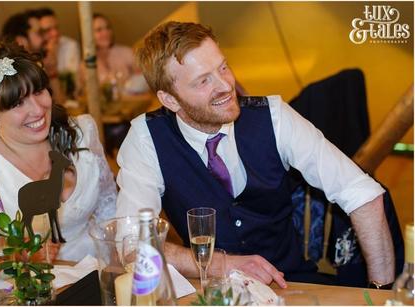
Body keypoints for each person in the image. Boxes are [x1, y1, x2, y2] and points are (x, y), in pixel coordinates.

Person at [115, 21, 395, 288]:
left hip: (291, 284)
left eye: (223, 67)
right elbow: (131, 244)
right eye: (203, 81)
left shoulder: (274, 116)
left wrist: (383, 291)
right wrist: (221, 264)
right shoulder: (146, 139)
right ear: (170, 100)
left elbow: (362, 194)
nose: (226, 86)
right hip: (211, 291)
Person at [0, 42, 117, 262]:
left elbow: (110, 206)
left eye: (39, 91)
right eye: (18, 103)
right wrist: (15, 249)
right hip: (34, 286)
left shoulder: (80, 132)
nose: (38, 109)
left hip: (101, 270)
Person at [89, 13, 148, 94]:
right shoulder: (87, 64)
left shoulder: (126, 52)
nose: (106, 32)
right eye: (99, 30)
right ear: (88, 35)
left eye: (108, 28)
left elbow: (145, 80)